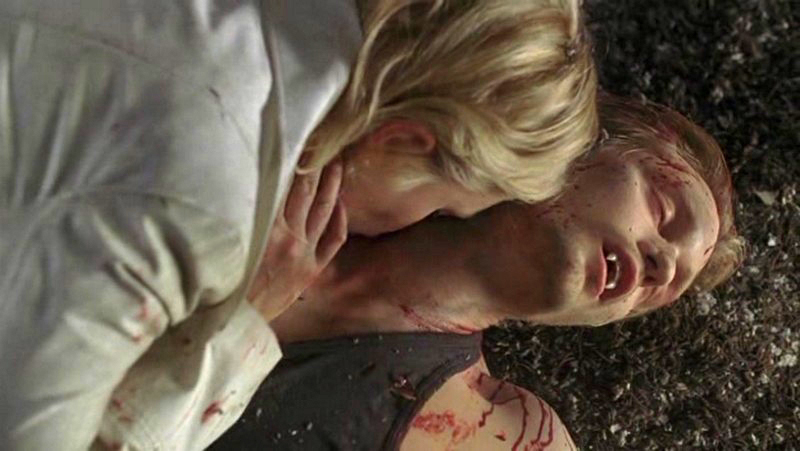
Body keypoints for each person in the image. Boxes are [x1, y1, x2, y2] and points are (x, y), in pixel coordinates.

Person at [0, 0, 597, 449]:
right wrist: (239, 331)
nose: (419, 224)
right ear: (404, 141)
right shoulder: (212, 210)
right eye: (442, 207)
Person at [208, 95, 745, 450]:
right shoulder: (301, 139)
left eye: (663, 291)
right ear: (587, 141)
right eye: (664, 210)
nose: (662, 265)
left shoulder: (501, 435)